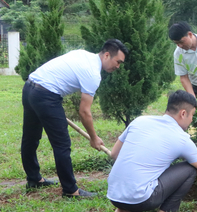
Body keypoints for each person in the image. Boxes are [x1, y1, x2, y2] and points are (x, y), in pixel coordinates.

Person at [21, 39, 129, 197]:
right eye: (118, 62)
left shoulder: (82, 54)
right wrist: (93, 137)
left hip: (30, 87)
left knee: (30, 138)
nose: (118, 66)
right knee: (62, 145)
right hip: (46, 95)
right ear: (107, 55)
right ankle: (71, 191)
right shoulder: (93, 73)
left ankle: (34, 179)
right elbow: (84, 112)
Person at [107, 90, 197, 212]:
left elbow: (114, 154)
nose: (191, 121)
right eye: (192, 116)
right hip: (143, 200)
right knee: (190, 169)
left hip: (113, 195)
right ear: (183, 113)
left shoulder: (140, 121)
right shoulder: (182, 139)